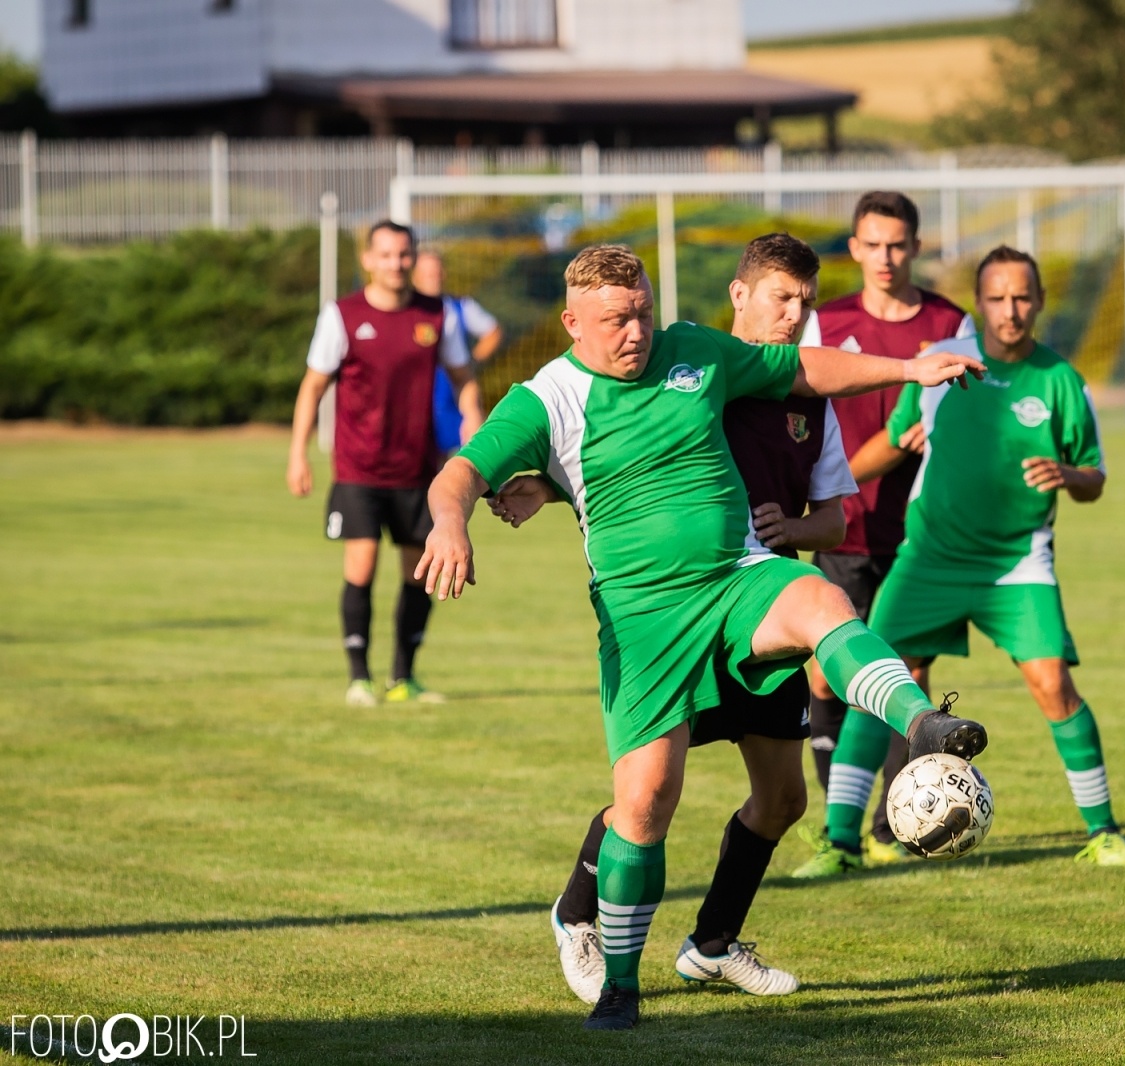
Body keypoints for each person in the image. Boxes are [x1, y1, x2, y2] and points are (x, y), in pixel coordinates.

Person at [415, 243, 990, 1031]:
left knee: (819, 599)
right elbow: (460, 474)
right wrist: (452, 527)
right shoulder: (546, 398)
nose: (637, 332)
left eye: (644, 312)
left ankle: (921, 724)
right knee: (645, 802)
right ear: (573, 323)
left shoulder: (693, 348)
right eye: (618, 319)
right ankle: (620, 985)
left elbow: (799, 372)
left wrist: (909, 369)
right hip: (644, 618)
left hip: (736, 579)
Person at [493, 234, 854, 1003]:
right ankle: (578, 912)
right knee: (647, 794)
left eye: (804, 302)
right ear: (740, 297)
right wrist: (546, 484)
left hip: (757, 610)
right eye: (779, 299)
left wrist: (796, 533)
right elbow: (618, 456)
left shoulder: (803, 401)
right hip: (674, 611)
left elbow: (833, 518)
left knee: (786, 799)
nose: (792, 317)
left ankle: (713, 944)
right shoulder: (687, 366)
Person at [809, 245, 1125, 875]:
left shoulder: (1062, 381)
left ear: (1039, 301)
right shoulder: (947, 368)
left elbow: (1095, 477)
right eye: (996, 298)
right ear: (978, 305)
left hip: (1017, 564)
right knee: (876, 685)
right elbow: (893, 441)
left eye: (1021, 297)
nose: (1010, 310)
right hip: (928, 558)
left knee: (1053, 686)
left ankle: (1104, 831)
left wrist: (1068, 474)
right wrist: (828, 487)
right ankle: (840, 843)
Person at [794, 190, 976, 873]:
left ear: (916, 247)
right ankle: (835, 824)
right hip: (840, 516)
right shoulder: (824, 320)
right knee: (823, 675)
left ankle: (884, 825)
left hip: (917, 529)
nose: (885, 257)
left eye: (897, 244)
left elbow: (968, 417)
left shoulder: (948, 322)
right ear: (854, 248)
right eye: (872, 244)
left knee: (907, 672)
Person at [285, 221, 483, 707]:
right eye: (387, 255)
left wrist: (473, 419)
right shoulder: (342, 316)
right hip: (359, 469)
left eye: (404, 254)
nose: (397, 263)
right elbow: (313, 386)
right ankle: (358, 678)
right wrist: (298, 453)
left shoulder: (438, 315)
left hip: (419, 470)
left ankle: (403, 678)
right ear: (368, 260)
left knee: (418, 573)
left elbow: (465, 377)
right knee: (362, 564)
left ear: (413, 258)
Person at [412, 250, 503, 456]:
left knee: (461, 466)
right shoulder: (405, 311)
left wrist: (473, 360)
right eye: (427, 273)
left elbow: (493, 331)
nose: (432, 278)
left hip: (454, 398)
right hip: (417, 402)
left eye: (436, 272)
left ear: (443, 273)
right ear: (415, 276)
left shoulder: (458, 307)